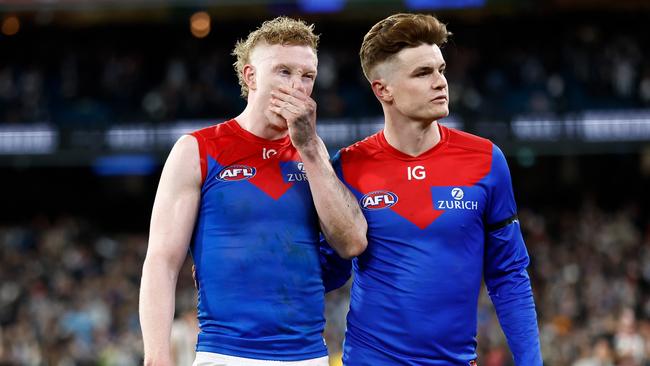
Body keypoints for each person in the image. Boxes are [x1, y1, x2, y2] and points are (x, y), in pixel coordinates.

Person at [139, 17, 366, 366]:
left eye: (307, 76)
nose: (297, 86)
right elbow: (162, 262)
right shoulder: (198, 150)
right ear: (250, 76)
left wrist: (309, 150)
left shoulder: (316, 154)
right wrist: (157, 356)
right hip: (224, 353)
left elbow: (351, 243)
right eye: (284, 72)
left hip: (308, 355)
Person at [332, 13, 542, 365]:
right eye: (422, 73)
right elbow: (328, 271)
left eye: (441, 69)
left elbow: (508, 275)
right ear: (383, 89)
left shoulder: (486, 160)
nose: (440, 82)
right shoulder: (347, 167)